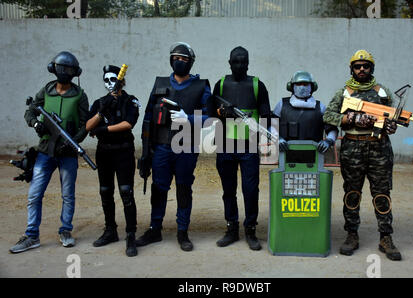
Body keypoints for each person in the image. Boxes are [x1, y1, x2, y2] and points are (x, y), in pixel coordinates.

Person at [323, 49, 401, 261]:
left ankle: (386, 237)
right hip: (353, 147)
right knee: (352, 192)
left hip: (379, 148)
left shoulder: (383, 92)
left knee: (382, 193)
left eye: (366, 66)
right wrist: (351, 120)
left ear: (371, 68)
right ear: (352, 69)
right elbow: (328, 116)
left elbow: (391, 116)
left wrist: (391, 126)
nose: (362, 69)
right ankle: (351, 235)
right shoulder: (344, 93)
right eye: (357, 66)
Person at [10, 51, 89, 253]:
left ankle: (65, 231)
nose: (65, 72)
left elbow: (84, 125)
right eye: (62, 68)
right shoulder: (46, 91)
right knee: (35, 194)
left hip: (68, 153)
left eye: (69, 69)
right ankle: (31, 235)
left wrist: (74, 141)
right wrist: (36, 123)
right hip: (45, 150)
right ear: (54, 69)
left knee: (68, 195)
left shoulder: (79, 95)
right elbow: (30, 111)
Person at [137, 42, 211, 252]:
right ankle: (154, 228)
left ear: (191, 62)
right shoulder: (160, 83)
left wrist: (188, 118)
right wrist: (145, 152)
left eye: (184, 59)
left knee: (183, 188)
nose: (180, 62)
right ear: (171, 60)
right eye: (176, 58)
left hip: (186, 147)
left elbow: (210, 117)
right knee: (159, 188)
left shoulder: (201, 85)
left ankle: (182, 231)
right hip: (161, 146)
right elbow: (148, 117)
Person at [207, 46, 272, 251]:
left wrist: (265, 136)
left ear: (248, 63)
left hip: (249, 145)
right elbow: (210, 113)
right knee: (229, 190)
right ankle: (231, 228)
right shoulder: (221, 84)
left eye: (244, 61)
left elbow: (265, 115)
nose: (240, 65)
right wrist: (221, 112)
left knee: (250, 190)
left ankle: (250, 230)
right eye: (236, 61)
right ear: (229, 63)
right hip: (225, 144)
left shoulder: (257, 85)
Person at [86, 65, 140, 257]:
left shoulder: (130, 100)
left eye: (113, 79)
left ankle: (130, 233)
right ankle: (110, 230)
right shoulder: (100, 102)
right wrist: (101, 112)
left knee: (126, 192)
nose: (110, 84)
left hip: (123, 151)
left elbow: (128, 123)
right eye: (106, 80)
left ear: (122, 81)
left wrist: (104, 130)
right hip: (104, 152)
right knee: (105, 191)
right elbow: (87, 126)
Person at [272, 70, 338, 153]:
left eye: (306, 84)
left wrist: (328, 141)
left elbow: (332, 128)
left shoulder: (320, 107)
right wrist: (277, 139)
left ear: (312, 87)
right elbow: (271, 125)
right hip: (286, 153)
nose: (302, 87)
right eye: (298, 84)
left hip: (313, 153)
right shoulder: (282, 104)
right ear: (291, 86)